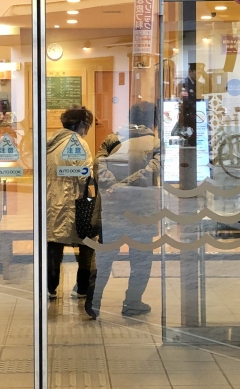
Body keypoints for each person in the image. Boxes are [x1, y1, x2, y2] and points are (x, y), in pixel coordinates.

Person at [89, 100, 162, 319]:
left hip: (111, 209)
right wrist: (127, 186)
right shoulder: (156, 143)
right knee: (141, 260)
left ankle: (94, 301)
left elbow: (98, 165)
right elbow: (152, 171)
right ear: (154, 121)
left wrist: (114, 186)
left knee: (104, 258)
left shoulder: (112, 139)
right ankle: (133, 302)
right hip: (142, 211)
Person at [45, 105, 98, 301]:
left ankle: (50, 288)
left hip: (51, 200)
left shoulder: (50, 142)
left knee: (54, 242)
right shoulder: (78, 143)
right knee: (86, 242)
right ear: (82, 124)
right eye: (88, 126)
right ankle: (83, 287)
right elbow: (85, 176)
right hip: (73, 201)